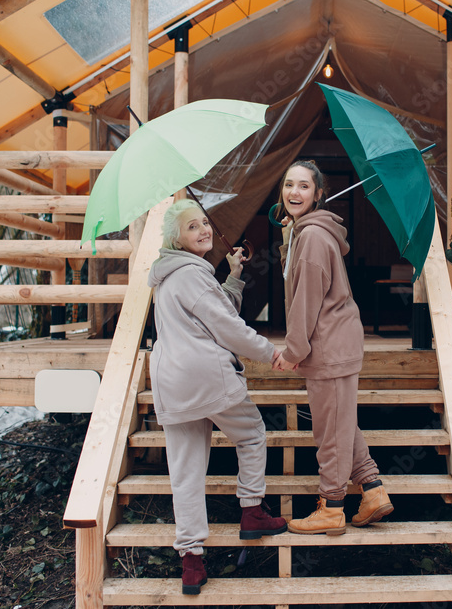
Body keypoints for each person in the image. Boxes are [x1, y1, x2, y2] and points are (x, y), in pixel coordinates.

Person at [149, 198, 287, 595]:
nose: (204, 230)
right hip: (207, 377)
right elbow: (226, 326)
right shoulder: (192, 274)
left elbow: (213, 309)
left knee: (186, 472)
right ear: (177, 238)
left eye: (204, 223)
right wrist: (269, 352)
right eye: (192, 227)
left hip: (173, 382)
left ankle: (191, 560)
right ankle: (252, 512)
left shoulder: (171, 274)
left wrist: (235, 274)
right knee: (252, 434)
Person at [271, 160, 393, 535]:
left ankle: (332, 505)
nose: (294, 192)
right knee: (341, 424)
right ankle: (372, 490)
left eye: (304, 186)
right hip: (335, 344)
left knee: (329, 432)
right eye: (289, 185)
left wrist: (292, 352)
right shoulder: (306, 233)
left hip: (327, 346)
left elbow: (306, 300)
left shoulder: (311, 237)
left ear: (318, 194)